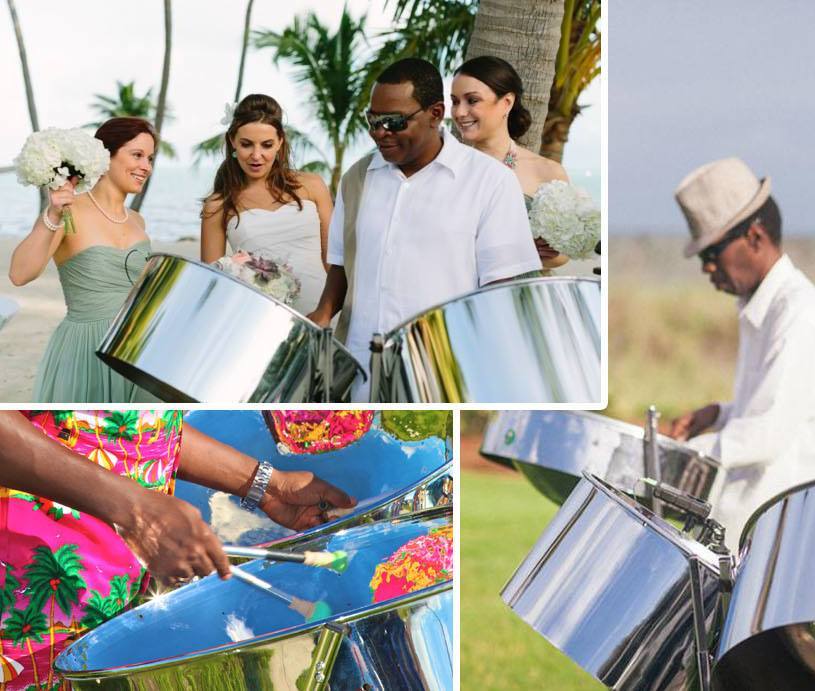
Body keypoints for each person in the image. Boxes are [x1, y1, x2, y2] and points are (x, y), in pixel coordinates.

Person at [0, 409, 354, 690]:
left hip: (112, 603)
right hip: (24, 609)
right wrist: (134, 510)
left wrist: (266, 486)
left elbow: (127, 427)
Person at [306, 57, 540, 400]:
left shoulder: (490, 182)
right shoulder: (356, 178)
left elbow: (502, 294)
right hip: (357, 373)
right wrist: (323, 315)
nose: (380, 133)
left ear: (435, 113)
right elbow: (342, 265)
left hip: (440, 376)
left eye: (394, 122)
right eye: (373, 121)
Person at [663, 157, 815, 546]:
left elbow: (767, 432)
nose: (706, 269)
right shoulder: (764, 309)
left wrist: (681, 457)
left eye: (711, 253)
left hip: (791, 538)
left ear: (754, 237)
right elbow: (778, 408)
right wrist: (720, 414)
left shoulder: (800, 315)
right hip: (763, 531)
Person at [8, 118, 161, 403]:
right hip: (87, 348)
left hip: (137, 348)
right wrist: (52, 215)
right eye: (137, 155)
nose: (146, 167)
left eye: (150, 158)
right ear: (107, 156)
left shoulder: (138, 222)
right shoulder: (69, 210)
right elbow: (19, 274)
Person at [200, 94, 334, 314]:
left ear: (280, 142)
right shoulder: (217, 206)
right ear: (232, 141)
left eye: (267, 145)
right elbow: (213, 283)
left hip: (323, 315)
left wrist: (331, 312)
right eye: (246, 144)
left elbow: (333, 261)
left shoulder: (312, 185)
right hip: (260, 317)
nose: (256, 155)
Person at [451, 55, 570, 270]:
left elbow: (563, 255)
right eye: (455, 101)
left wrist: (543, 251)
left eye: (472, 100)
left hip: (524, 296)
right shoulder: (450, 169)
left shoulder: (547, 171)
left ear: (506, 102)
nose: (459, 112)